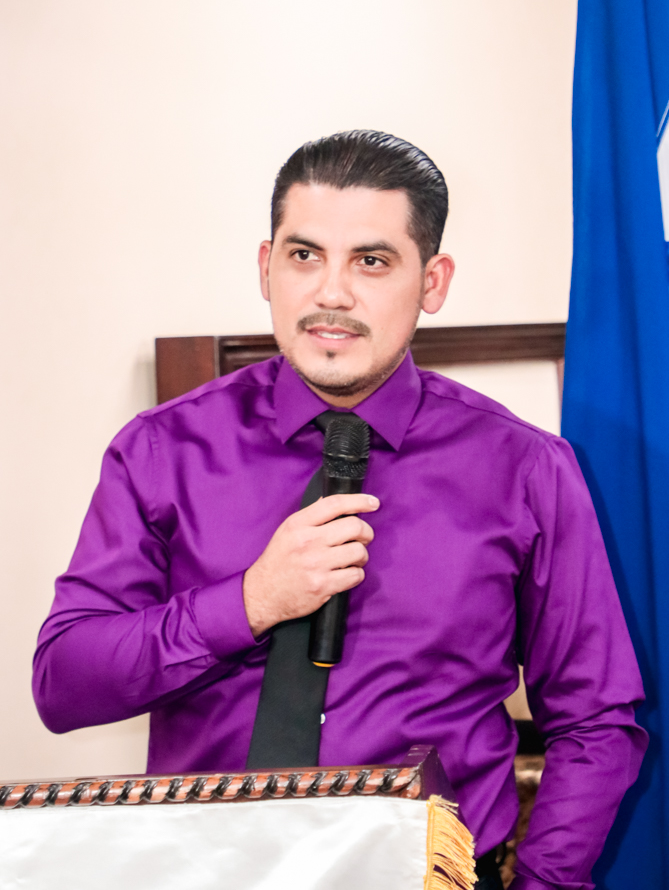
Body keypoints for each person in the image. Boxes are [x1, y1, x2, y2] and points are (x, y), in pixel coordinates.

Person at [33, 131, 647, 890]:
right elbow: (64, 683)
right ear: (266, 267)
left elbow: (595, 721)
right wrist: (248, 602)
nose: (331, 293)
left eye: (371, 261)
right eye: (304, 255)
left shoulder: (525, 468)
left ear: (432, 281)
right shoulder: (161, 450)